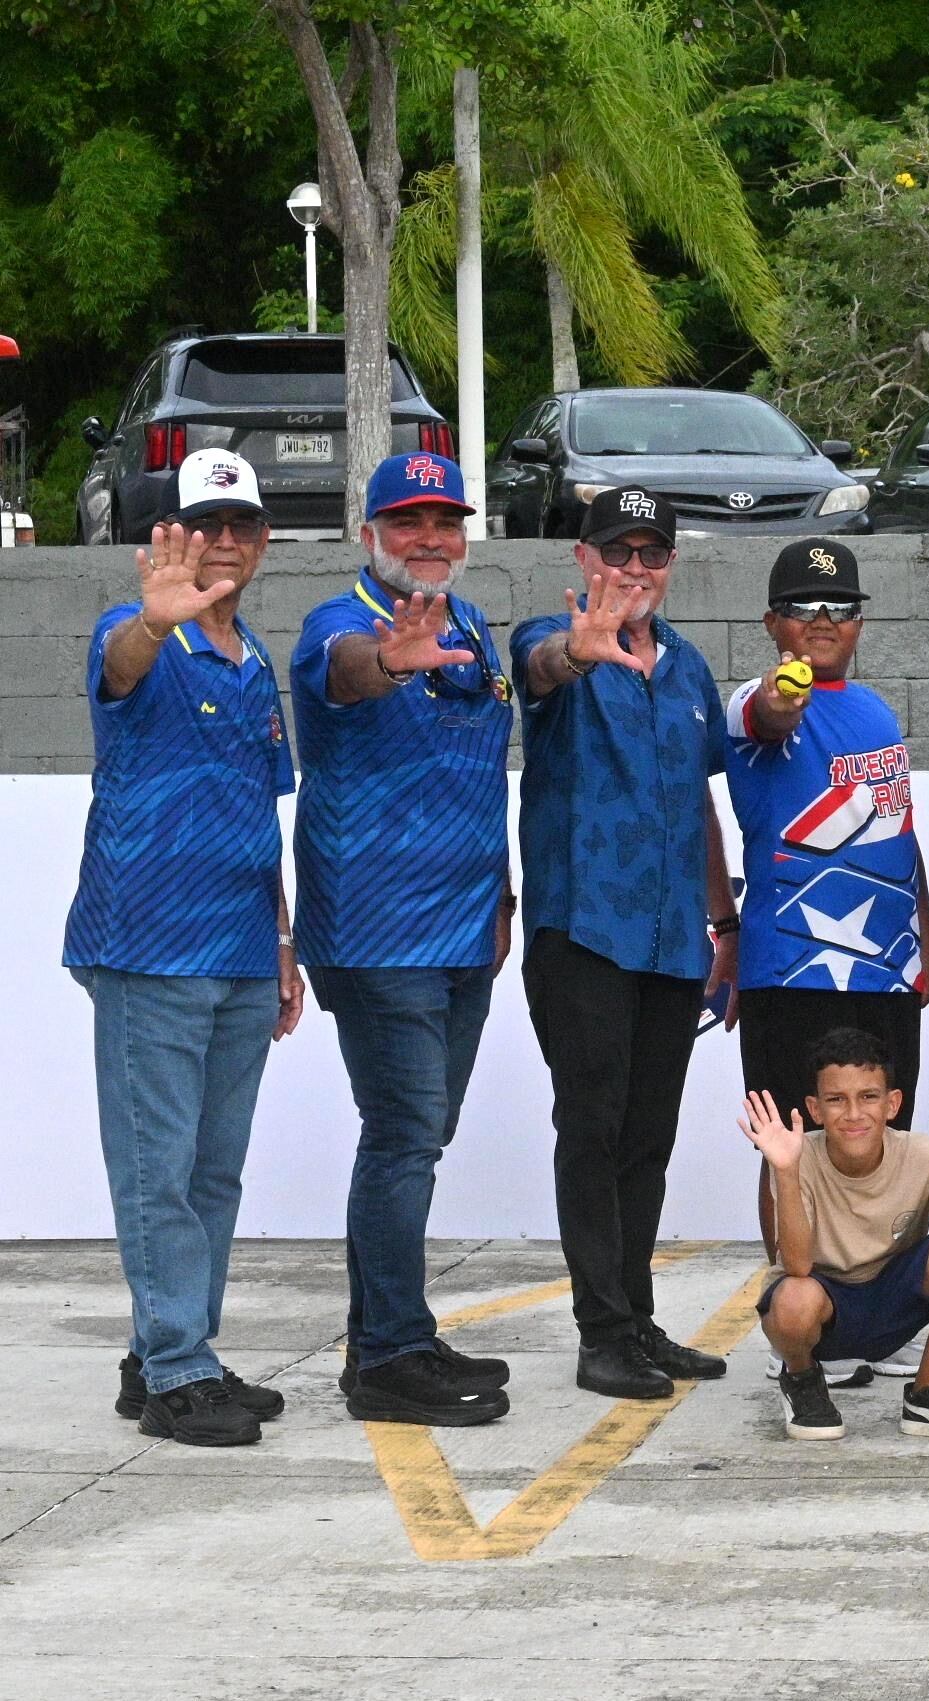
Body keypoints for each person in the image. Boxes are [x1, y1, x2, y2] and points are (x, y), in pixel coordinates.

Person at [67, 451, 305, 1447]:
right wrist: (153, 620)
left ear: (259, 540)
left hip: (243, 949)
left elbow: (260, 813)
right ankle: (177, 1372)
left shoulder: (254, 662)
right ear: (173, 537)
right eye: (205, 524)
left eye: (241, 525)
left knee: (211, 1176)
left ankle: (167, 1350)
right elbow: (121, 667)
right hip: (147, 949)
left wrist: (283, 937)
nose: (224, 542)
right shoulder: (140, 640)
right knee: (156, 1171)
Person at [291, 451, 515, 1427]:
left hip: (467, 929)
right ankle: (385, 1359)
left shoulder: (467, 624)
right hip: (379, 935)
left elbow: (476, 767)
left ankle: (396, 1334)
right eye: (410, 521)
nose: (431, 539)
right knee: (404, 1138)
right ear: (368, 531)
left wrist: (501, 893)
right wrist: (387, 659)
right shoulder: (340, 624)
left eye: (445, 522)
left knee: (418, 1138)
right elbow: (344, 675)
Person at [513, 486, 741, 1402]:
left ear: (671, 564)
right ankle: (599, 1331)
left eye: (651, 554)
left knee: (648, 1137)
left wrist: (723, 922)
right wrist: (577, 649)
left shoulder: (686, 666)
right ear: (584, 557)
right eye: (619, 551)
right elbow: (537, 668)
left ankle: (636, 1318)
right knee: (593, 1127)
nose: (634, 570)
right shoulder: (556, 637)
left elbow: (700, 807)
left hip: (674, 938)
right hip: (584, 930)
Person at [727, 539, 929, 1132]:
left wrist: (926, 941)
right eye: (804, 606)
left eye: (840, 608)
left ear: (859, 624)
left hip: (887, 972)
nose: (823, 620)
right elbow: (769, 711)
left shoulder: (877, 710)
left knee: (885, 1156)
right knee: (790, 1154)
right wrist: (779, 697)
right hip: (792, 968)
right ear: (772, 623)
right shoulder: (750, 695)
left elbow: (898, 830)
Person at [747, 1027, 929, 1444]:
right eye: (836, 1100)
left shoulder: (920, 1154)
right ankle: (802, 1380)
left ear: (893, 1104)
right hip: (825, 1312)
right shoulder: (799, 1154)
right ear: (815, 1109)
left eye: (869, 1096)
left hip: (893, 1305)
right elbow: (797, 1265)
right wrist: (783, 1171)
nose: (854, 1114)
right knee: (793, 1297)